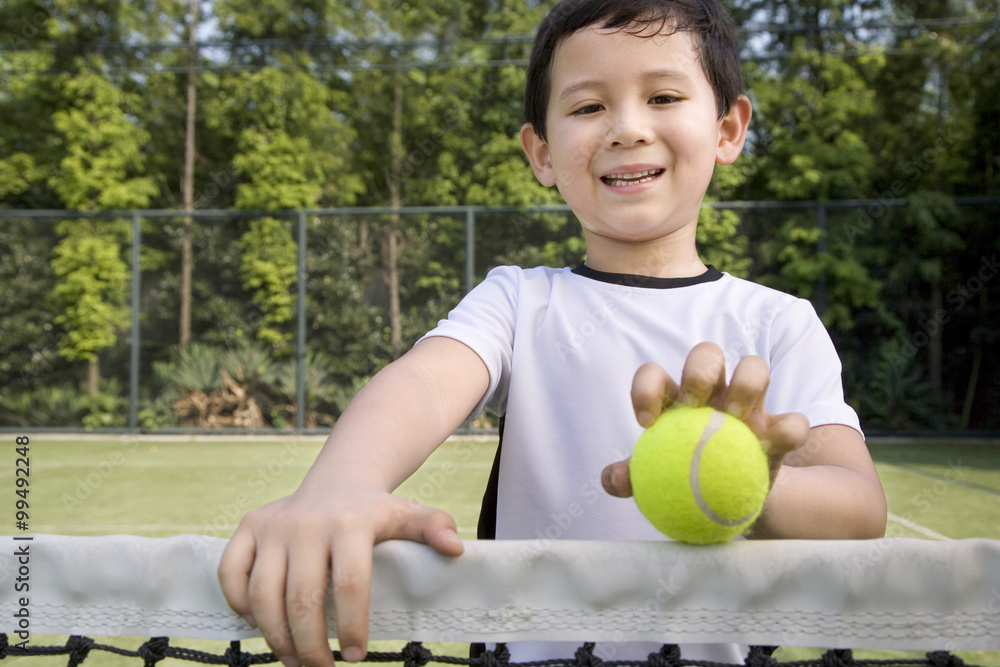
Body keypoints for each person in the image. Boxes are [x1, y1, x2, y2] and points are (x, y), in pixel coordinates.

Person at [218, 0, 888, 665]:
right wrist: (341, 482)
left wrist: (759, 483)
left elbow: (860, 510)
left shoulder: (780, 322)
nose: (627, 128)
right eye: (588, 107)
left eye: (662, 95)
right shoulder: (517, 300)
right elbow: (423, 384)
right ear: (540, 152)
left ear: (728, 128)